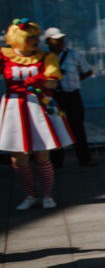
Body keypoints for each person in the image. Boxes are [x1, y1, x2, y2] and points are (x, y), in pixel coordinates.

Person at [2, 19, 73, 209]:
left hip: (39, 107)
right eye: (30, 37)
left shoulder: (46, 57)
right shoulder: (4, 56)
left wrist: (38, 80)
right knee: (18, 157)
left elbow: (53, 83)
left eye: (36, 37)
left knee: (42, 154)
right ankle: (31, 194)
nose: (35, 41)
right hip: (14, 108)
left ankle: (47, 195)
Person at [45, 27, 95, 167]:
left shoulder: (73, 54)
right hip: (54, 97)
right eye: (56, 40)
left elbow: (88, 71)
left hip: (73, 94)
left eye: (62, 39)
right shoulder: (45, 57)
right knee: (56, 127)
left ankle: (84, 158)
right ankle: (56, 161)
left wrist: (75, 80)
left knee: (77, 126)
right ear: (48, 42)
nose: (60, 42)